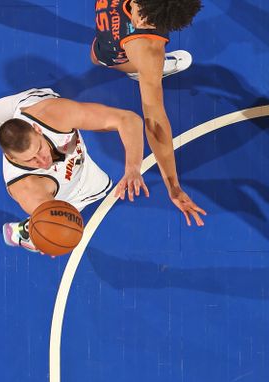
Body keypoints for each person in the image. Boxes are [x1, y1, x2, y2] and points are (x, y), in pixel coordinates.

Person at [0, 88, 147, 253]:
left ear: (38, 130)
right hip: (64, 187)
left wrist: (133, 168)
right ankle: (27, 232)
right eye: (30, 160)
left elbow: (128, 119)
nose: (42, 160)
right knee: (55, 220)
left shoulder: (55, 114)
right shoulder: (27, 187)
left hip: (28, 105)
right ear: (10, 158)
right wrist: (50, 238)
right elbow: (54, 221)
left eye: (39, 148)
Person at [92, 0, 207, 227]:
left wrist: (172, 185)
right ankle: (145, 73)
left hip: (124, 48)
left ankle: (146, 73)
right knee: (99, 56)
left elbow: (154, 122)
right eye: (143, 13)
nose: (140, 22)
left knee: (100, 56)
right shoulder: (146, 45)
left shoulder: (148, 47)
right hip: (119, 44)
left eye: (151, 22)